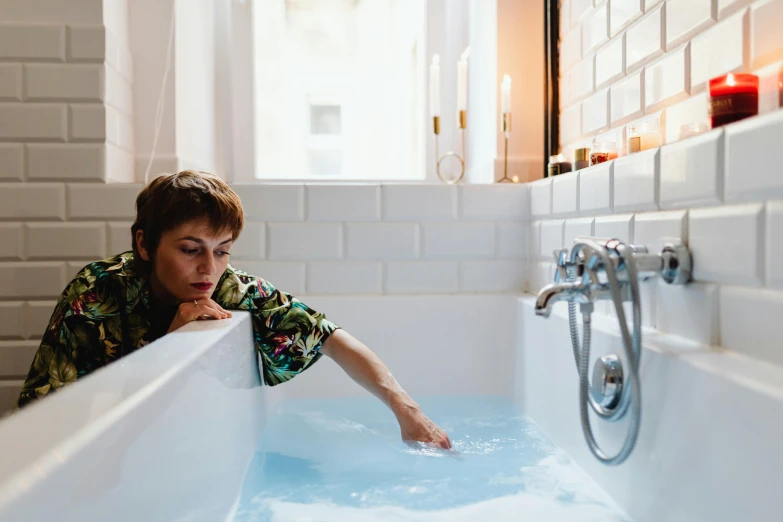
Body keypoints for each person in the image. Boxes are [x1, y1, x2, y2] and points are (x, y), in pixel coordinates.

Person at [15, 170, 451, 449]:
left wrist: (409, 414)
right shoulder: (95, 295)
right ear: (144, 244)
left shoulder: (231, 288)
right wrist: (169, 341)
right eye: (190, 250)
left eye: (222, 251)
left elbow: (331, 339)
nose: (209, 269)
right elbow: (60, 428)